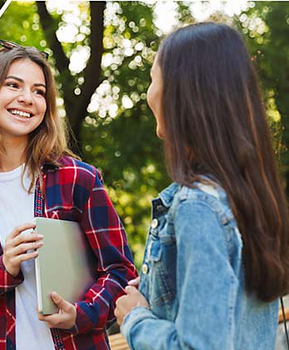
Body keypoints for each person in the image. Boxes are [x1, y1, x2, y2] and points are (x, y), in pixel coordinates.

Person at [0, 39, 137, 350]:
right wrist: (3, 268)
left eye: (39, 91)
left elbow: (121, 272)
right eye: (14, 85)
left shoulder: (78, 178)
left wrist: (81, 313)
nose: (27, 98)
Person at [114, 22, 289, 349]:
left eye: (153, 77)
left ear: (181, 93)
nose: (148, 91)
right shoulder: (248, 194)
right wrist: (156, 288)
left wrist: (135, 317)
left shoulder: (198, 206)